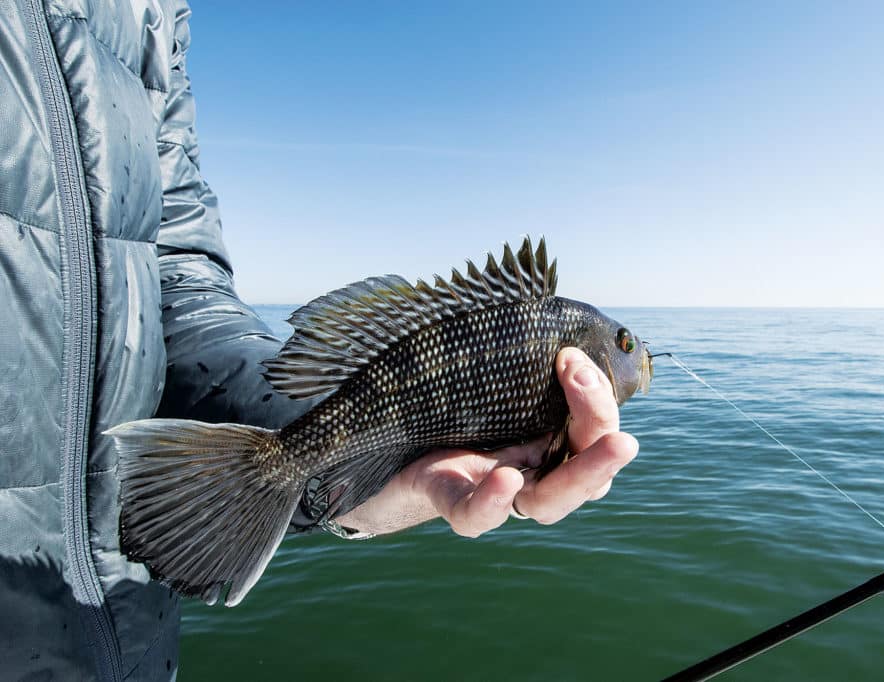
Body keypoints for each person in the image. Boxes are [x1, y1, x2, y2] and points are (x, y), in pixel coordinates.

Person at [0, 1, 638, 679]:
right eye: (627, 342)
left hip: (128, 643)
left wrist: (344, 474)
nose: (636, 354)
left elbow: (176, 273)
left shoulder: (152, 13)